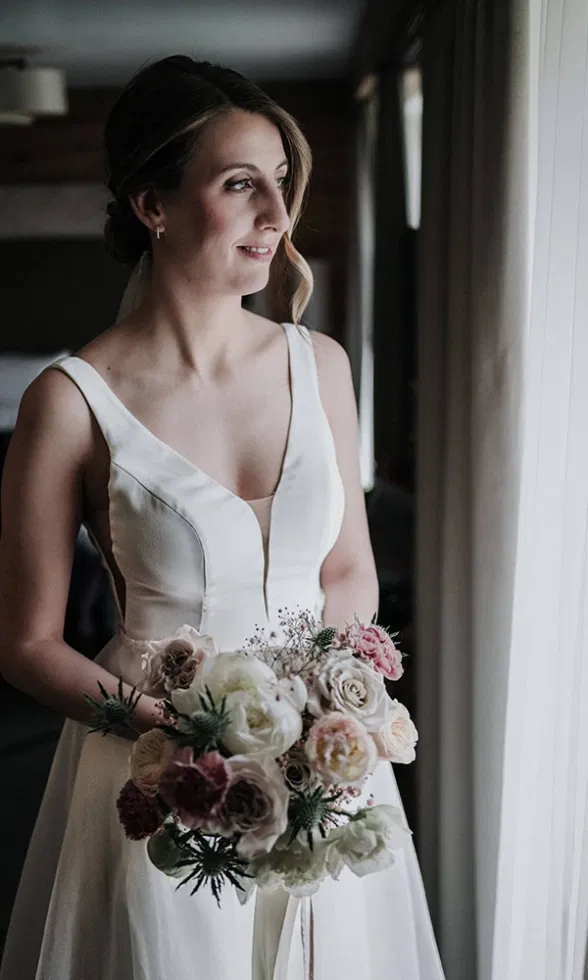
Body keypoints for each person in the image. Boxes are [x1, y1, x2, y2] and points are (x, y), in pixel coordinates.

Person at [0, 56, 445, 980]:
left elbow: (348, 567)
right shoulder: (69, 402)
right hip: (158, 776)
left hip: (325, 767)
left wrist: (319, 712)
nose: (277, 218)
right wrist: (180, 737)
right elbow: (28, 642)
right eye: (240, 184)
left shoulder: (318, 363)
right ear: (151, 205)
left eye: (281, 183)